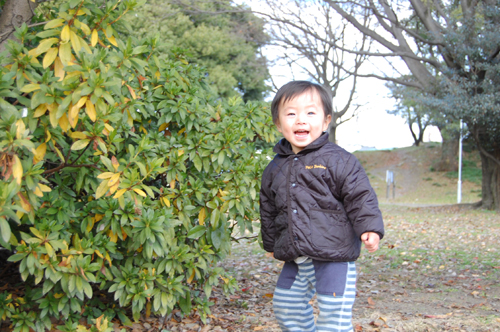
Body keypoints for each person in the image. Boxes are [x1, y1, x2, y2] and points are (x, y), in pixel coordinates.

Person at [259, 81, 384, 332]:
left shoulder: (338, 160)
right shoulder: (274, 168)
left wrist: (370, 227)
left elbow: (360, 196)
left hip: (334, 257)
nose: (300, 120)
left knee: (333, 315)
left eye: (310, 113)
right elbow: (269, 208)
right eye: (291, 113)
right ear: (278, 123)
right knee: (286, 307)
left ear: (326, 121)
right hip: (296, 257)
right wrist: (271, 243)